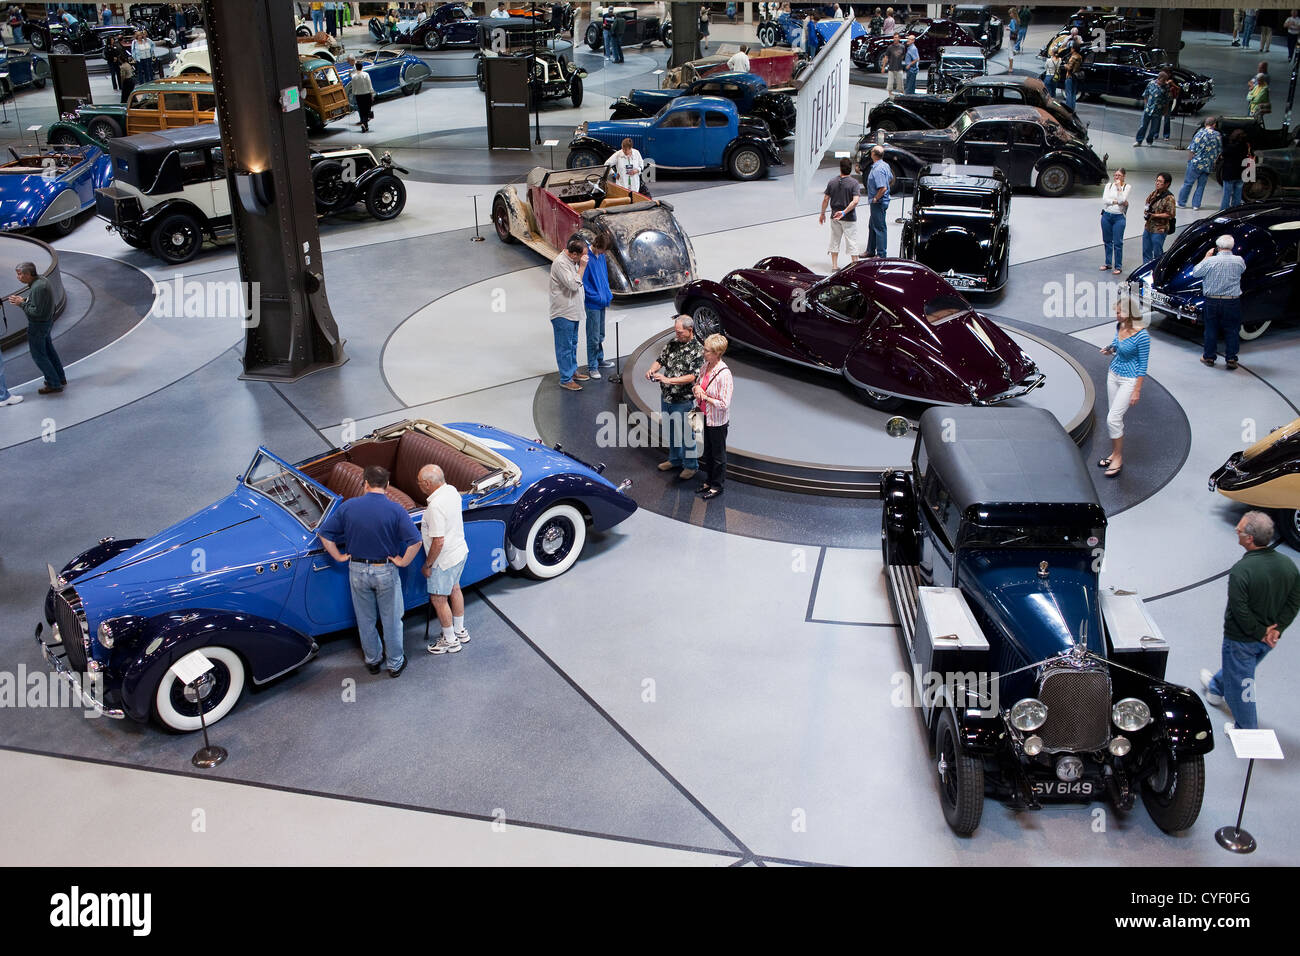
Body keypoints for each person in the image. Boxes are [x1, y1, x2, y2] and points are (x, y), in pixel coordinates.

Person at [317, 466, 421, 677]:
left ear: (364, 483)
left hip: (356, 569)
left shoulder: (349, 506)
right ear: (387, 486)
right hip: (385, 570)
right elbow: (415, 541)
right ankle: (395, 663)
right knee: (391, 620)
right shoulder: (396, 509)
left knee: (365, 620)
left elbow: (324, 534)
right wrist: (402, 562)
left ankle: (373, 661)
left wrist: (337, 556)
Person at [1201, 511, 1300, 732]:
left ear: (1250, 539)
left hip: (1241, 640)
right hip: (1268, 640)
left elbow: (1240, 611)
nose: (1237, 529)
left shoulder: (1241, 571)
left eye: (1241, 528)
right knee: (1239, 669)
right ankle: (1217, 688)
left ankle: (1246, 729)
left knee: (1242, 683)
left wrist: (1259, 632)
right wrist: (1275, 631)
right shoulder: (1288, 566)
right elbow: (1294, 602)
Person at [418, 464, 471, 656]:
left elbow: (438, 541)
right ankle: (460, 630)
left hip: (443, 560)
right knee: (455, 588)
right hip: (460, 551)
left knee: (439, 599)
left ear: (426, 483)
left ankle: (450, 641)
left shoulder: (435, 507)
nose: (418, 485)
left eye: (419, 482)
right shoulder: (452, 491)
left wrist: (428, 565)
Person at [645, 315, 704, 481]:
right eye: (676, 332)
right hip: (667, 397)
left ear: (690, 330)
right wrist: (652, 369)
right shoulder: (673, 343)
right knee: (671, 431)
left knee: (687, 434)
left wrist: (668, 380)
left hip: (685, 400)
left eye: (680, 332)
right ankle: (675, 459)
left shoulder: (698, 350)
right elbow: (660, 360)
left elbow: (693, 376)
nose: (677, 335)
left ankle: (691, 466)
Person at [1096, 293, 1149, 478]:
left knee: (1113, 419)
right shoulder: (1120, 325)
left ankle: (1118, 457)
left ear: (1129, 313)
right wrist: (1109, 348)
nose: (1116, 315)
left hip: (1130, 379)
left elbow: (1143, 365)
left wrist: (1137, 390)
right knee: (1113, 416)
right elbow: (1117, 343)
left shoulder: (1142, 336)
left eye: (1119, 312)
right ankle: (1114, 452)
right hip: (1113, 374)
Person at [9, 262, 66, 394]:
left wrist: (21, 304)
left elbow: (36, 312)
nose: (18, 277)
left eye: (19, 274)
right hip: (46, 322)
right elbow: (39, 304)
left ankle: (54, 384)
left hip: (38, 325)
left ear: (28, 274)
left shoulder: (38, 288)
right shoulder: (42, 281)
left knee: (39, 356)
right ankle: (60, 377)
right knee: (49, 351)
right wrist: (24, 301)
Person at [1194, 234, 1247, 369]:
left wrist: (1206, 257)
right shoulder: (1239, 260)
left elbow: (1196, 273)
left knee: (1211, 329)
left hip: (1212, 300)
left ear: (1217, 247)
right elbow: (1243, 270)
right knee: (1232, 330)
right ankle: (1231, 358)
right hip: (1232, 301)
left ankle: (1209, 357)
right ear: (1232, 246)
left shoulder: (1210, 261)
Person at [692, 334, 733, 500]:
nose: (704, 353)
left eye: (707, 351)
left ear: (717, 353)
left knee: (718, 455)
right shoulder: (705, 366)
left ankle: (717, 485)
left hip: (717, 421)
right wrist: (696, 389)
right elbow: (697, 385)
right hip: (703, 416)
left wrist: (705, 396)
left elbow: (724, 404)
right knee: (707, 451)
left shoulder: (724, 375)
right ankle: (709, 480)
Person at [550, 236, 588, 391]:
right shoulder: (560, 264)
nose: (585, 258)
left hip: (573, 311)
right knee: (564, 347)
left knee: (572, 344)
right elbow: (573, 285)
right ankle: (566, 378)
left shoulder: (572, 261)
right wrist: (582, 267)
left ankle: (572, 371)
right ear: (573, 254)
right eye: (582, 255)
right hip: (563, 313)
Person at [582, 232, 615, 379]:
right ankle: (592, 366)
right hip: (592, 303)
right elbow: (584, 282)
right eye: (603, 250)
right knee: (593, 336)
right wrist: (594, 296)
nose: (604, 253)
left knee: (601, 334)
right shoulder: (586, 258)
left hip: (602, 301)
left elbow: (604, 277)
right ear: (597, 246)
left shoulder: (601, 256)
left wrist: (607, 294)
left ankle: (599, 359)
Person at [821, 157, 862, 269]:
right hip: (849, 217)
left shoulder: (832, 182)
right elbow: (855, 201)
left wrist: (822, 213)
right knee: (852, 241)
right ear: (850, 169)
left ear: (840, 168)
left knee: (834, 239)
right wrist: (844, 212)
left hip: (834, 216)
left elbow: (825, 199)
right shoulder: (854, 183)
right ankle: (854, 265)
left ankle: (834, 265)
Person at [1177, 117, 1221, 211]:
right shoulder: (1217, 135)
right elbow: (1219, 150)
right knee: (1201, 185)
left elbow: (1192, 149)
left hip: (1196, 163)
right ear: (1214, 125)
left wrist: (1189, 161)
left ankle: (1181, 202)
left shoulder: (1200, 133)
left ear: (1205, 124)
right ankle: (1196, 205)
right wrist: (1214, 162)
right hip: (1208, 164)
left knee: (1188, 183)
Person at [1099, 168, 1130, 275]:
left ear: (1124, 177)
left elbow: (1122, 200)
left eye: (1119, 176)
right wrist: (1115, 201)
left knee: (1118, 242)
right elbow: (1105, 199)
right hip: (1107, 215)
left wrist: (1118, 188)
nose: (1117, 177)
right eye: (1115, 175)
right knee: (1107, 241)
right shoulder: (1109, 185)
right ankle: (1108, 263)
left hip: (1119, 217)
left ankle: (1118, 266)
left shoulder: (1127, 187)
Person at [1141, 172, 1175, 264]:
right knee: (1146, 250)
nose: (1157, 183)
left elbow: (1170, 214)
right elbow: (1147, 203)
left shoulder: (1169, 198)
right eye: (1157, 181)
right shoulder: (1153, 194)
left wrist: (1155, 215)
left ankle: (1157, 268)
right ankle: (1146, 267)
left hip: (1159, 229)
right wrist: (1147, 212)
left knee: (1157, 252)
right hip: (1148, 227)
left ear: (1167, 184)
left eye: (1160, 181)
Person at [865, 146, 891, 257]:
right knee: (872, 225)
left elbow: (883, 188)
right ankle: (870, 250)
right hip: (878, 202)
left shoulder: (878, 169)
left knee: (879, 228)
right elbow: (890, 178)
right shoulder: (885, 165)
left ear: (874, 154)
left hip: (878, 202)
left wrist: (876, 198)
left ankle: (881, 254)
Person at [1133, 71, 1169, 147]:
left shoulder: (1166, 87)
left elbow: (1167, 100)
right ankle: (1139, 141)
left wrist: (1165, 110)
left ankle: (1149, 140)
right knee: (1143, 126)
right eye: (1164, 79)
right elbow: (1145, 95)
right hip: (1148, 109)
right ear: (1160, 78)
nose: (1165, 81)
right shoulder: (1151, 83)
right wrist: (1146, 105)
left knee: (1154, 128)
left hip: (1158, 111)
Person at [1219, 128, 1250, 210]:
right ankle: (1235, 210)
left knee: (1227, 194)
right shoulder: (1245, 147)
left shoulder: (1229, 147)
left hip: (1229, 173)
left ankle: (1224, 210)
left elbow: (1222, 156)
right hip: (1241, 173)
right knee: (1238, 194)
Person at [348, 57, 375, 132]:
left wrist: (354, 94)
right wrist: (371, 94)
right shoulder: (366, 74)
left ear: (356, 68)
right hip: (366, 94)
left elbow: (353, 87)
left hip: (358, 95)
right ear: (362, 67)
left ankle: (364, 124)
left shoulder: (354, 77)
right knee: (367, 109)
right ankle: (364, 124)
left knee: (362, 110)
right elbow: (369, 85)